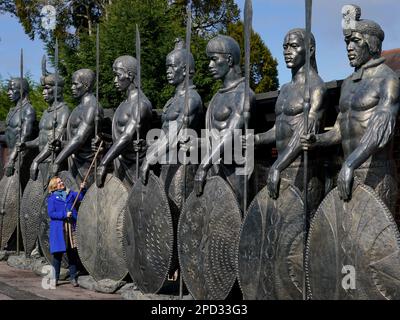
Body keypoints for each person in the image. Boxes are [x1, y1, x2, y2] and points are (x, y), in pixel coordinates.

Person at [301, 4, 399, 212]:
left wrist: (350, 163)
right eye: (347, 42)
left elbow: (379, 131)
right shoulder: (347, 84)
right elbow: (339, 130)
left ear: (372, 44)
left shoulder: (388, 80)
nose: (348, 47)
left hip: (376, 174)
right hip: (349, 171)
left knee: (374, 241)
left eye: (355, 41)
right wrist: (317, 140)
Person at [254, 28, 327, 211]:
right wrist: (255, 139)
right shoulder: (285, 89)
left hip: (304, 173)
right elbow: (277, 130)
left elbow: (305, 132)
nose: (287, 51)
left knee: (302, 233)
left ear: (310, 50)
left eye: (294, 46)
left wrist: (277, 166)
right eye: (285, 47)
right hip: (282, 169)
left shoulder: (317, 87)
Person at [47, 176, 86, 287]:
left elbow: (81, 197)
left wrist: (82, 188)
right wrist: (64, 214)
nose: (62, 183)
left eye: (61, 181)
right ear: (54, 186)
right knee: (58, 256)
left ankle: (73, 278)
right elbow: (51, 214)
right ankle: (55, 279)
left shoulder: (70, 193)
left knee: (72, 254)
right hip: (59, 229)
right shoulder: (52, 199)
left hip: (71, 227)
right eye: (59, 182)